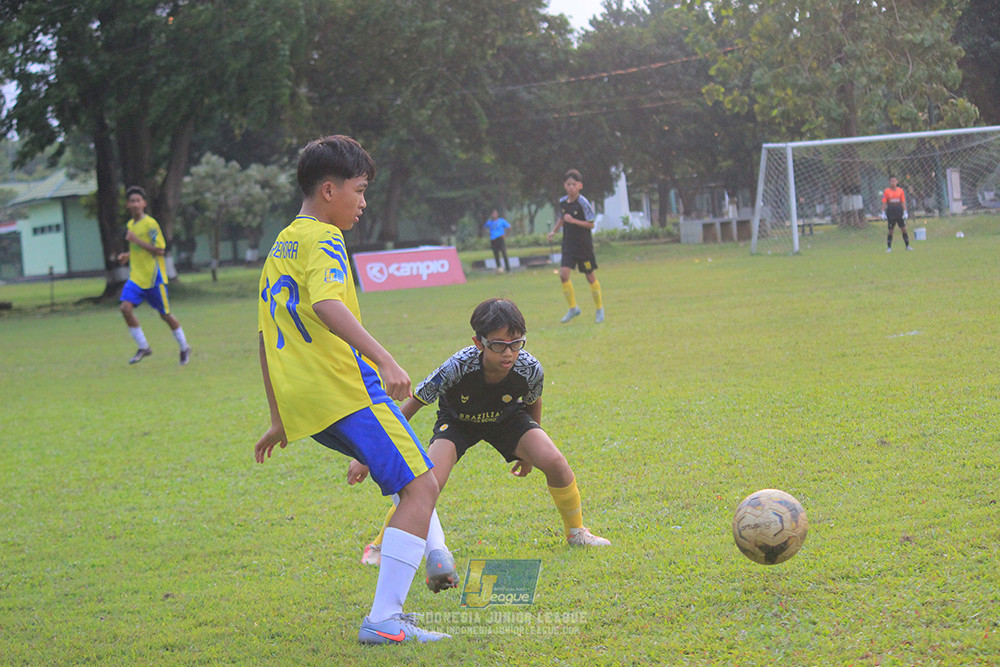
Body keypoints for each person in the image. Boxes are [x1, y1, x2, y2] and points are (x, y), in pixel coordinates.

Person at [253, 135, 448, 645]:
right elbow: (326, 305)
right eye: (359, 191)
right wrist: (384, 358)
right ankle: (385, 620)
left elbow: (263, 337)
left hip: (308, 404)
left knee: (414, 480)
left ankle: (427, 569)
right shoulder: (323, 238)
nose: (363, 202)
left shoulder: (282, 245)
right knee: (422, 485)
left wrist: (279, 416)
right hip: (348, 391)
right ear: (328, 189)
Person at [349, 297, 610, 569]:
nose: (509, 353)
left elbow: (534, 401)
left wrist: (531, 450)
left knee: (556, 462)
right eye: (498, 345)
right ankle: (381, 543)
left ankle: (576, 532)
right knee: (427, 485)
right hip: (458, 422)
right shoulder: (458, 366)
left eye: (516, 343)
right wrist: (370, 456)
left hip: (506, 419)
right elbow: (412, 404)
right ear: (479, 343)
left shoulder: (530, 367)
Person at [116, 186, 192, 365]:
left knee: (165, 315)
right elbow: (137, 250)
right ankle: (143, 346)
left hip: (153, 278)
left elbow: (160, 249)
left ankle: (184, 346)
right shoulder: (130, 225)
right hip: (136, 277)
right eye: (132, 201)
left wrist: (136, 241)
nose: (135, 204)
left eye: (138, 201)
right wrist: (127, 255)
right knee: (125, 308)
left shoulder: (150, 224)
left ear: (144, 203)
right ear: (128, 205)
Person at [547, 169, 604, 323]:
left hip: (583, 245)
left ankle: (599, 309)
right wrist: (553, 231)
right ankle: (573, 308)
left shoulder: (583, 203)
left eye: (574, 184)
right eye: (568, 184)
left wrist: (574, 221)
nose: (571, 187)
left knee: (590, 276)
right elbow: (562, 218)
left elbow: (591, 225)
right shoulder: (563, 202)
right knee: (563, 275)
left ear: (580, 186)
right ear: (565, 186)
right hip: (568, 245)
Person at [881, 176, 912, 252]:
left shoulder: (900, 191)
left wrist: (905, 211)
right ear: (889, 182)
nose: (893, 182)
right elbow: (884, 202)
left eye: (894, 181)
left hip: (899, 210)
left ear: (897, 182)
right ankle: (889, 247)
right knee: (891, 230)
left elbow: (903, 201)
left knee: (903, 229)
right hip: (891, 211)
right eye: (892, 181)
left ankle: (907, 246)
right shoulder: (886, 191)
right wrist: (882, 212)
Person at [483, 208, 511, 273]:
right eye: (493, 214)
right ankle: (499, 267)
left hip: (500, 238)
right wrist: (489, 233)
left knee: (504, 253)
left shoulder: (501, 221)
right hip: (493, 239)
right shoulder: (489, 223)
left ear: (497, 214)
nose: (494, 215)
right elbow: (484, 228)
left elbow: (509, 227)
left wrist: (506, 235)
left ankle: (508, 269)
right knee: (496, 254)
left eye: (495, 214)